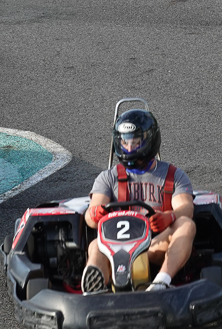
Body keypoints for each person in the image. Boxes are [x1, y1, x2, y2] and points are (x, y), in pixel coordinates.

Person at [81, 109, 196, 294]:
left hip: (153, 245)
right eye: (124, 142)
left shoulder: (173, 176)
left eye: (135, 142)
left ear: (150, 141)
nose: (129, 148)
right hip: (114, 248)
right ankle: (94, 289)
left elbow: (186, 208)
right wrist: (94, 213)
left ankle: (161, 282)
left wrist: (169, 217)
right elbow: (91, 216)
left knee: (186, 224)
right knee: (95, 245)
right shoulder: (108, 178)